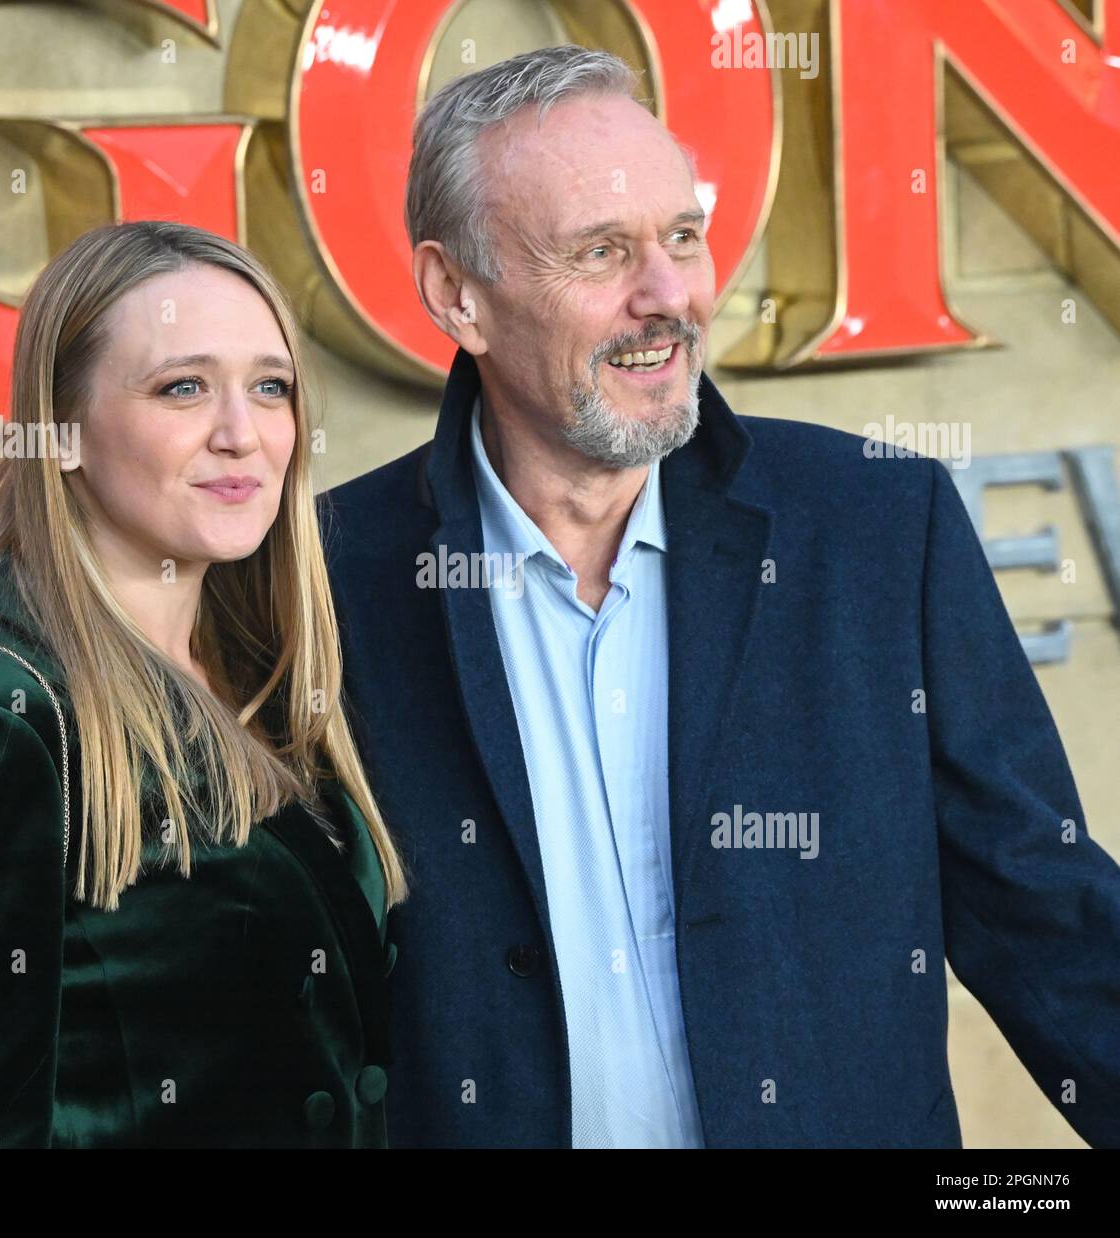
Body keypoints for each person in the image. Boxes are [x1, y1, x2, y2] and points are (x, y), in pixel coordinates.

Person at [319, 45, 1120, 1148]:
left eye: (681, 238)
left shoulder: (878, 525)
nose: (668, 298)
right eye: (602, 252)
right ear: (459, 294)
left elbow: (1041, 911)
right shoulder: (327, 579)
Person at [0, 219, 405, 1148]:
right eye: (182, 387)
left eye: (270, 388)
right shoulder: (2, 724)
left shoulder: (270, 677)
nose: (242, 436)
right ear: (61, 435)